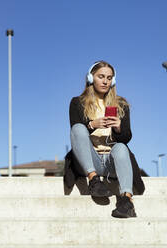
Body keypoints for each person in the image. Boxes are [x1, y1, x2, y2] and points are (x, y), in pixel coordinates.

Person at [63, 61, 145, 218]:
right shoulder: (77, 102)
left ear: (113, 81)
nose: (105, 81)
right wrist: (92, 124)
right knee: (79, 128)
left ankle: (126, 201)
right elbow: (75, 132)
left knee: (121, 147)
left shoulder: (121, 104)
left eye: (109, 78)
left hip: (111, 163)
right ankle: (94, 180)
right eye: (101, 76)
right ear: (90, 77)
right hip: (88, 161)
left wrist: (119, 127)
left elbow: (126, 139)